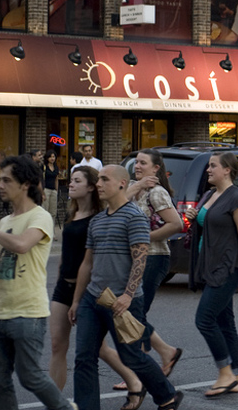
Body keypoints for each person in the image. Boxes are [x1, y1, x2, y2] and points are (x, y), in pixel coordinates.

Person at [70, 165, 183, 410]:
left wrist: (128, 296)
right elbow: (87, 263)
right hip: (93, 299)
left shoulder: (134, 217)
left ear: (122, 183)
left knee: (131, 356)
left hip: (122, 301)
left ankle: (167, 397)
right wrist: (78, 300)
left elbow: (140, 259)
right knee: (83, 358)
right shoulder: (97, 221)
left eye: (104, 179)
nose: (98, 184)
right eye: (98, 180)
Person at [0, 156, 76, 410]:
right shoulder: (4, 222)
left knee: (30, 376)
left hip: (27, 312)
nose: (0, 185)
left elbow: (23, 245)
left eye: (6, 180)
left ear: (25, 184)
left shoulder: (40, 217)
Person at [184, 153, 238, 397]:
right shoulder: (210, 195)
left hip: (229, 267)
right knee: (225, 322)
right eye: (209, 166)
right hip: (210, 264)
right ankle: (235, 377)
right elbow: (206, 222)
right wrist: (192, 218)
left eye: (213, 166)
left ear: (228, 170)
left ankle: (225, 372)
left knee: (204, 319)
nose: (208, 170)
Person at [124, 149, 184, 379]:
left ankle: (136, 372)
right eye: (136, 162)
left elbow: (175, 224)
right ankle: (166, 353)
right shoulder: (133, 187)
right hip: (134, 260)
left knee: (134, 315)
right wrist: (136, 186)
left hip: (154, 257)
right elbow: (113, 206)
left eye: (143, 163)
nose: (137, 166)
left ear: (156, 168)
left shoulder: (157, 193)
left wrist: (143, 237)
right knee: (133, 315)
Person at [42, 150, 59, 222]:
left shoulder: (56, 167)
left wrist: (56, 190)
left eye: (53, 157)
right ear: (47, 158)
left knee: (53, 211)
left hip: (53, 190)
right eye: (50, 157)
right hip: (46, 189)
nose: (52, 158)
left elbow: (56, 179)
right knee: (45, 210)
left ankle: (51, 229)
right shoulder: (44, 167)